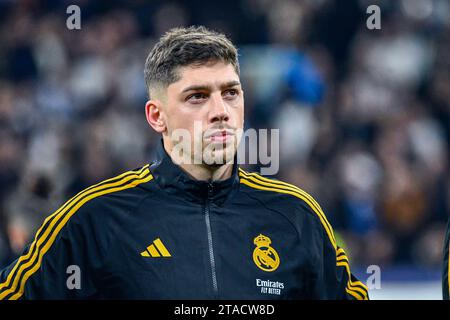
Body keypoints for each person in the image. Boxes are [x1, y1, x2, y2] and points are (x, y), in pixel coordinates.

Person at [0, 26, 368, 300]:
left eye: (230, 93)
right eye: (197, 97)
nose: (220, 112)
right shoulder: (94, 219)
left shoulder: (296, 215)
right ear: (156, 116)